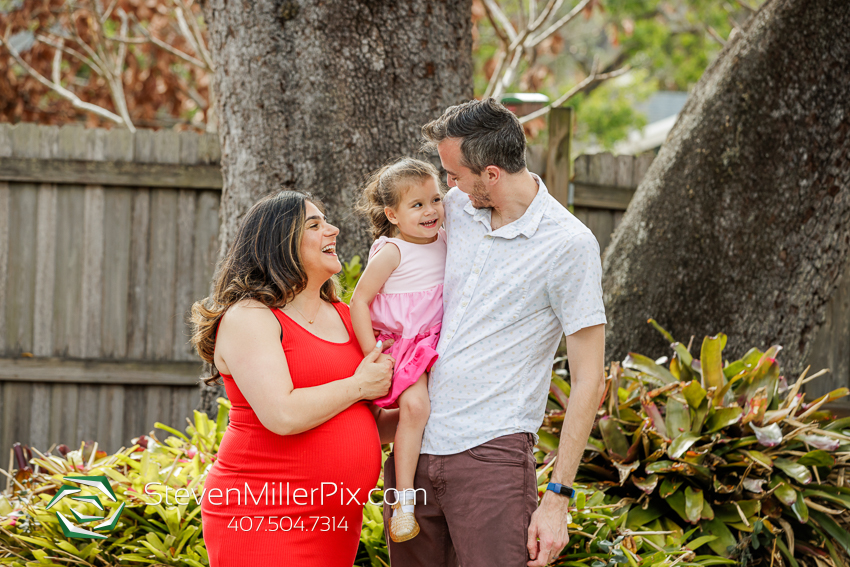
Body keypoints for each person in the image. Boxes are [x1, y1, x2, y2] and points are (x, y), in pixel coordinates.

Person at [382, 98, 607, 567]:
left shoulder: (569, 245)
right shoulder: (454, 211)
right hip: (414, 450)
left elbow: (590, 379)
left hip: (492, 459)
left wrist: (558, 498)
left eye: (455, 175)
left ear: (491, 174)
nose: (447, 188)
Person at [190, 190, 399, 567]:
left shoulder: (348, 315)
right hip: (261, 512)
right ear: (278, 243)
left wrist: (424, 409)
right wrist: (358, 386)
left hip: (336, 520)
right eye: (315, 225)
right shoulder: (250, 317)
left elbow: (363, 423)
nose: (333, 230)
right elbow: (282, 415)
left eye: (327, 221)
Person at [349, 158, 447, 543]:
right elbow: (359, 300)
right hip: (403, 344)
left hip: (438, 337)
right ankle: (404, 504)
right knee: (416, 407)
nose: (431, 210)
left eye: (435, 199)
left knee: (428, 411)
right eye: (417, 205)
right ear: (392, 213)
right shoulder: (392, 251)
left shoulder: (446, 236)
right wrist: (371, 352)